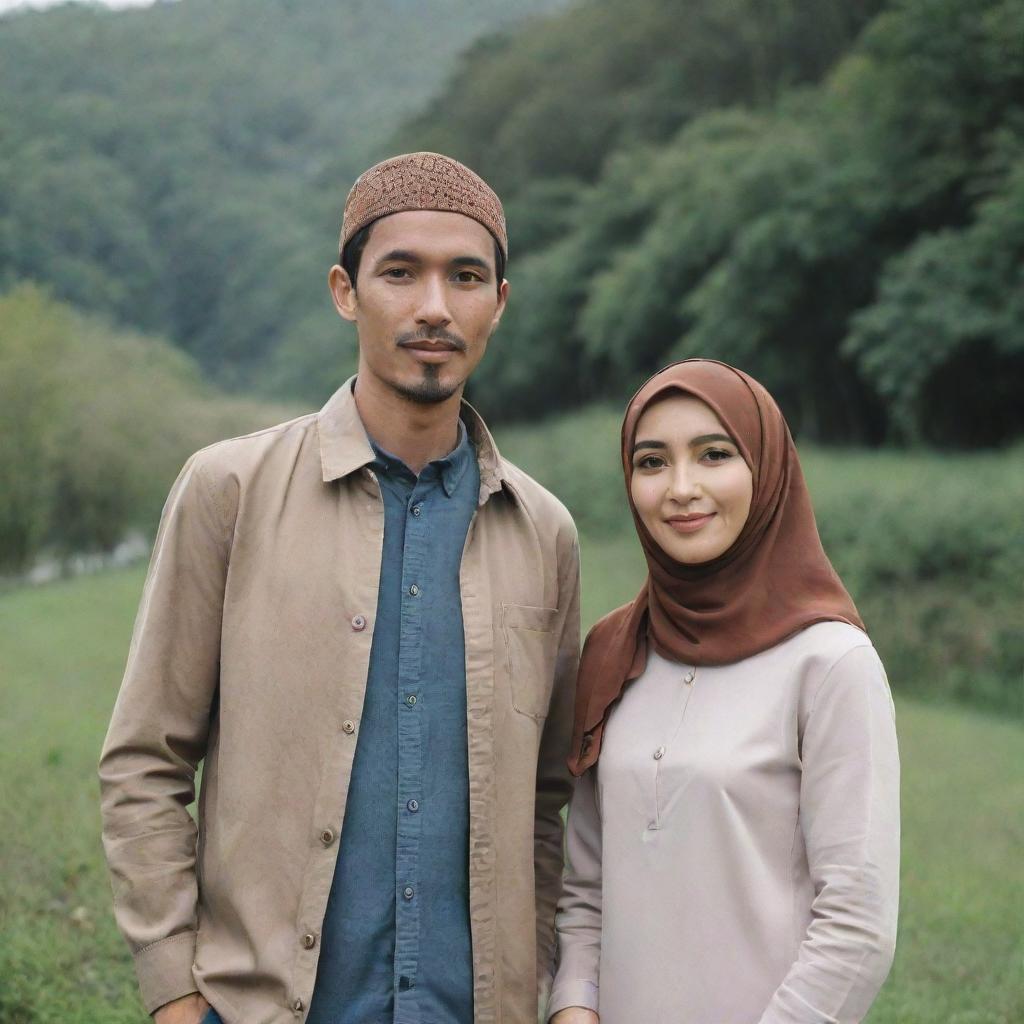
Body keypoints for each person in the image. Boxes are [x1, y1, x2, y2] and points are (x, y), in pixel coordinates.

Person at [99, 152, 581, 1024]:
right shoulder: (229, 491)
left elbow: (551, 801)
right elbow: (145, 761)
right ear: (345, 291)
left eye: (465, 277)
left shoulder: (543, 530)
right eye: (401, 272)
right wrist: (174, 991)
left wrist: (536, 972)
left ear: (498, 303)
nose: (435, 306)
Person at [547, 359, 899, 1024]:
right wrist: (573, 1008)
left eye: (713, 455)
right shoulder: (614, 651)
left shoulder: (829, 664)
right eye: (652, 463)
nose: (681, 488)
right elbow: (587, 891)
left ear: (766, 470)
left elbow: (857, 924)